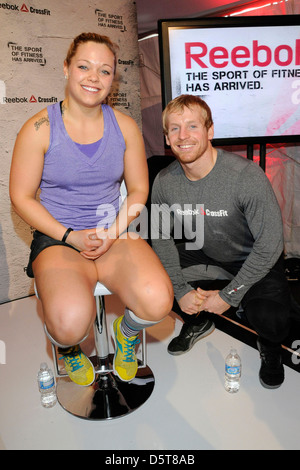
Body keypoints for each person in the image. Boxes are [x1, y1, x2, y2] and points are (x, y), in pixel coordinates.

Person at [9, 33, 173, 387]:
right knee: (69, 325)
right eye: (84, 66)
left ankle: (125, 333)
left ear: (113, 78)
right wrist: (70, 235)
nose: (93, 77)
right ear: (66, 68)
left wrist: (112, 232)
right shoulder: (39, 128)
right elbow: (21, 197)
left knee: (159, 301)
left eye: (105, 70)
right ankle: (69, 350)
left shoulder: (125, 127)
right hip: (59, 238)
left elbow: (139, 189)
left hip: (112, 232)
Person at [151, 94, 291, 389]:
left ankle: (270, 348)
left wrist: (228, 296)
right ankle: (197, 318)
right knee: (151, 279)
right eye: (174, 128)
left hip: (253, 258)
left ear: (209, 131)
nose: (183, 136)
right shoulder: (165, 181)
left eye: (192, 126)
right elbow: (161, 237)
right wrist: (179, 290)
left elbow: (270, 245)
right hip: (206, 251)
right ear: (166, 136)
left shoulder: (244, 176)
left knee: (271, 319)